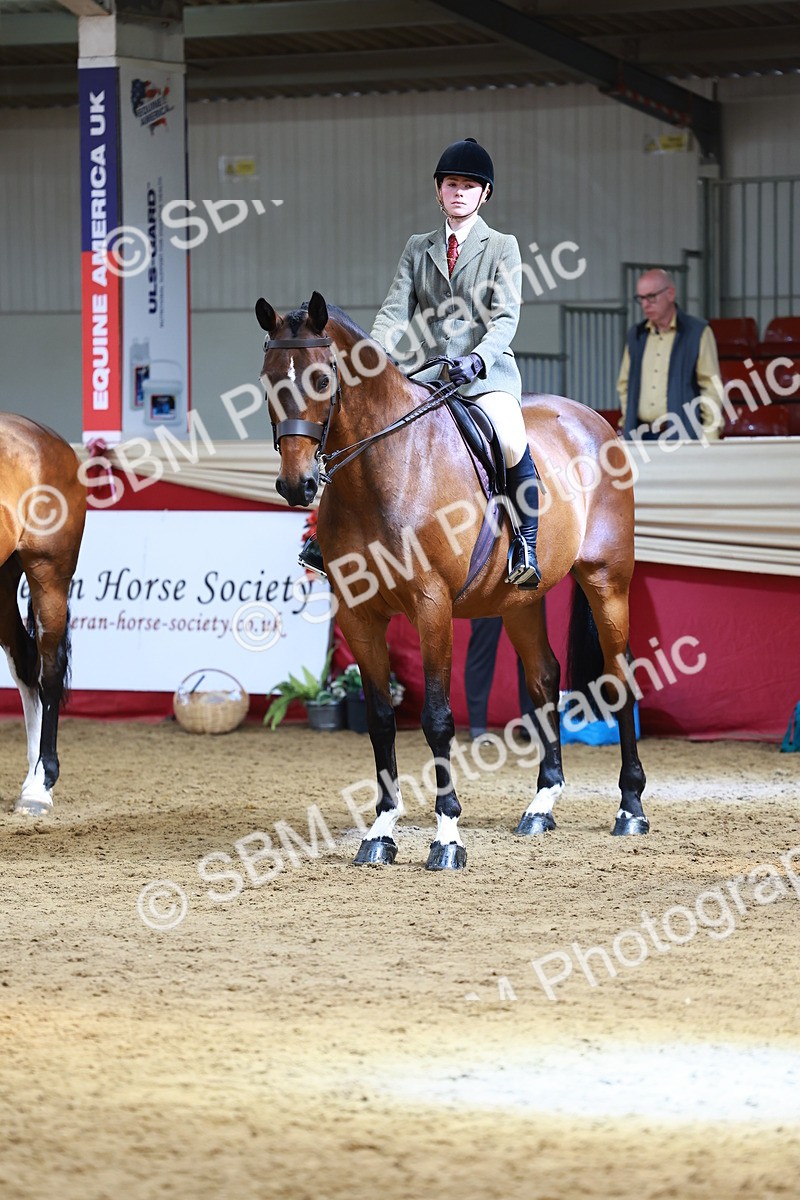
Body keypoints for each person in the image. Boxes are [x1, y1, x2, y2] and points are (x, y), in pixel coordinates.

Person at [299, 137, 540, 588]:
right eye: (452, 184)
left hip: (486, 375)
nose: (460, 192)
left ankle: (526, 541)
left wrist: (480, 358)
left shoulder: (502, 246)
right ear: (439, 190)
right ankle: (328, 538)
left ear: (484, 194)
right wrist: (376, 356)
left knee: (510, 438)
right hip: (433, 374)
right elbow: (395, 309)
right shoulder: (418, 246)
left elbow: (506, 317)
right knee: (367, 427)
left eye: (470, 186)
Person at [617, 268, 722, 440]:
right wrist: (627, 422)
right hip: (641, 435)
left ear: (670, 294)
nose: (645, 304)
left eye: (651, 297)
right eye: (640, 298)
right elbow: (624, 385)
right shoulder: (636, 335)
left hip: (682, 435)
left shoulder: (697, 332)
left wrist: (710, 433)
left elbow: (711, 386)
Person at [464, 616, 536, 741]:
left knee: (531, 652)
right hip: (487, 597)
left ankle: (532, 725)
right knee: (482, 649)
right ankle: (477, 726)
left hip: (525, 596)